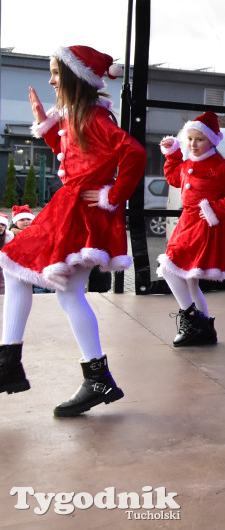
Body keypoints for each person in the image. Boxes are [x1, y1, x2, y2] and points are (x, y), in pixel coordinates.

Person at [0, 45, 145, 416]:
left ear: (74, 79)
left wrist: (113, 193)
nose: (50, 81)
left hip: (80, 214)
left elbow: (134, 153)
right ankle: (89, 376)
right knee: (48, 285)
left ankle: (11, 364)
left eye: (55, 74)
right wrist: (45, 124)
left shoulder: (95, 118)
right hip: (72, 210)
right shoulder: (75, 116)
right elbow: (71, 157)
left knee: (21, 267)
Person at [158, 111, 225, 347]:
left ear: (212, 140)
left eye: (199, 139)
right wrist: (172, 154)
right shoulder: (188, 162)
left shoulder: (218, 165)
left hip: (203, 225)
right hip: (188, 223)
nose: (193, 144)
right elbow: (173, 178)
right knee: (190, 280)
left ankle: (192, 320)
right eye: (189, 139)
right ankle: (205, 330)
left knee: (169, 269)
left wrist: (216, 210)